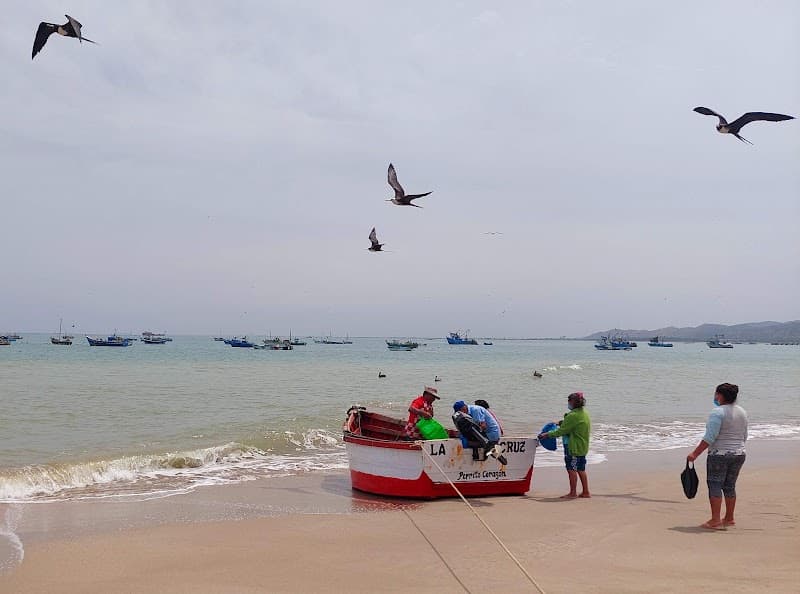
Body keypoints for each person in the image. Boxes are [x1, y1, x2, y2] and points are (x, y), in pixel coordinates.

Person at [687, 382, 748, 529]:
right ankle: (729, 518)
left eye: (716, 394)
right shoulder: (742, 412)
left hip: (719, 455)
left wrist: (695, 453)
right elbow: (744, 435)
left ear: (720, 395)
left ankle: (715, 520)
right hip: (739, 453)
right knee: (729, 486)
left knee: (715, 484)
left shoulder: (717, 412)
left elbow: (710, 437)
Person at [539, 392, 591, 499]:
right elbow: (571, 424)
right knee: (581, 469)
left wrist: (546, 434)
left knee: (571, 469)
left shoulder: (573, 416)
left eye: (569, 401)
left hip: (573, 447)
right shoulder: (584, 414)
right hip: (582, 446)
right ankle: (586, 492)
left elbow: (561, 431)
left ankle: (573, 493)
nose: (568, 403)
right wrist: (558, 423)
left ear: (573, 402)